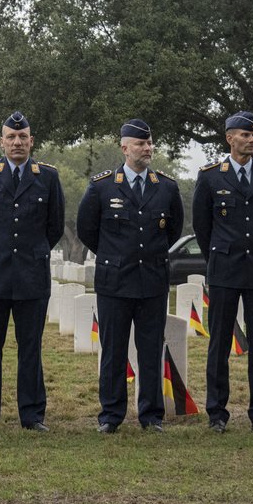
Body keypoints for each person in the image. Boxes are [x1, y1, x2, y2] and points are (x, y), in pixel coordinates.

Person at [76, 119, 184, 433]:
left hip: (152, 281)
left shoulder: (166, 187)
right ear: (125, 147)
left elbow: (173, 230)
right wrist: (115, 255)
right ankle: (111, 415)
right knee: (113, 351)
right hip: (115, 282)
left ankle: (151, 416)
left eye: (149, 143)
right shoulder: (102, 186)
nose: (147, 148)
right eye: (140, 143)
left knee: (151, 350)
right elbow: (87, 230)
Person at [0, 111, 65, 431]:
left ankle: (32, 415)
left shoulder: (47, 177)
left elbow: (55, 226)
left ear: (32, 141)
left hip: (31, 275)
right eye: (11, 137)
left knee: (30, 348)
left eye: (23, 137)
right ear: (2, 142)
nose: (17, 142)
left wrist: (31, 251)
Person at [191, 111, 253, 434]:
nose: (251, 139)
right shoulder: (211, 176)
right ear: (229, 138)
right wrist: (218, 254)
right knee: (219, 344)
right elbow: (202, 227)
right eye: (244, 135)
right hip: (224, 269)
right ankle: (217, 412)